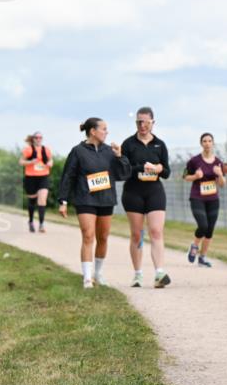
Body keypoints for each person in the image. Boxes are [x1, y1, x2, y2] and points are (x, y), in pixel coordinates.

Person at [57, 118, 132, 289]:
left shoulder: (110, 151)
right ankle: (87, 278)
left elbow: (124, 174)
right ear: (93, 131)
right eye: (104, 129)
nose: (107, 132)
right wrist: (63, 200)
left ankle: (98, 273)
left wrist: (120, 156)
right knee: (88, 235)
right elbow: (68, 176)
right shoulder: (78, 151)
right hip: (85, 198)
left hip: (106, 199)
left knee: (103, 237)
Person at [121, 107, 171, 288]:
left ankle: (159, 273)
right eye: (138, 122)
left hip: (154, 191)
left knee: (156, 231)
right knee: (137, 234)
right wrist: (142, 167)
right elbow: (124, 170)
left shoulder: (160, 144)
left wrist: (158, 169)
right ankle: (137, 274)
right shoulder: (128, 144)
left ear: (152, 123)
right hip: (133, 192)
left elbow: (167, 172)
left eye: (145, 122)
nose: (142, 125)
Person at [184, 133, 227, 268]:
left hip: (213, 198)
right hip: (197, 197)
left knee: (210, 229)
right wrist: (195, 176)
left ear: (213, 143)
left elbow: (222, 183)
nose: (207, 143)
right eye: (204, 141)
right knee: (203, 225)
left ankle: (202, 257)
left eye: (209, 141)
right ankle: (195, 245)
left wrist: (219, 174)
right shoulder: (194, 161)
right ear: (201, 143)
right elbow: (185, 176)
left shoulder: (218, 162)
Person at [20, 132, 53, 232]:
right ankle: (30, 221)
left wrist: (49, 164)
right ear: (33, 139)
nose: (38, 139)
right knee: (32, 201)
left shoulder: (46, 149)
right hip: (30, 178)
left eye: (40, 137)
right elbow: (21, 161)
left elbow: (51, 161)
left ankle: (41, 224)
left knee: (42, 200)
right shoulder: (28, 150)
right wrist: (30, 162)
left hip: (43, 177)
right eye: (36, 137)